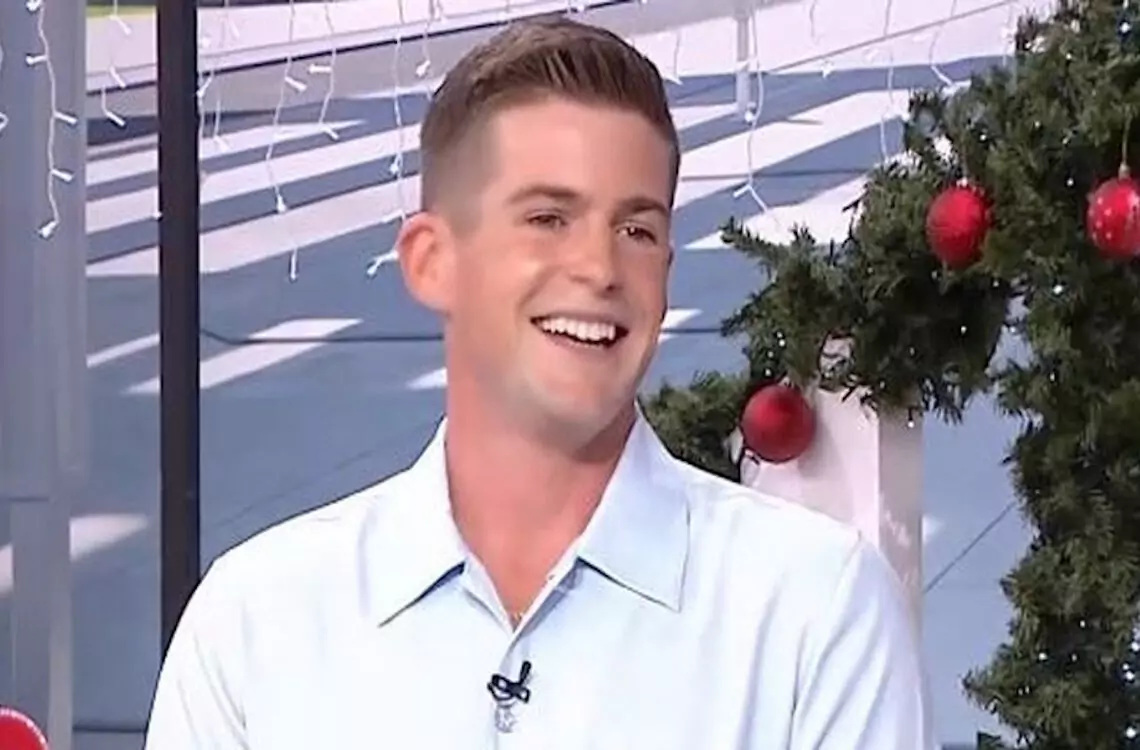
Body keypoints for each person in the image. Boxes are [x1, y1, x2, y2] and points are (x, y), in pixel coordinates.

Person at [144, 16, 933, 749]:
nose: (599, 268)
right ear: (431, 262)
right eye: (548, 218)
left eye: (637, 229)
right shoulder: (255, 623)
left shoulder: (813, 611)